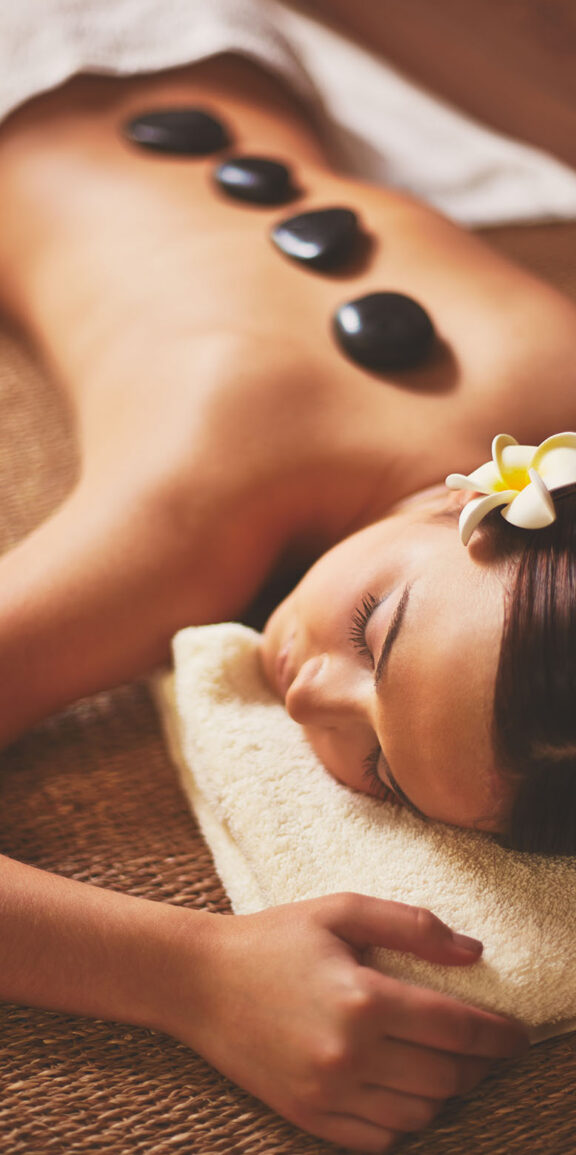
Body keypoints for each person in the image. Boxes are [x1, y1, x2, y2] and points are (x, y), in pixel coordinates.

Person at [2, 18, 576, 1149]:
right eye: (374, 628)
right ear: (468, 494)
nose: (310, 690)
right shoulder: (197, 514)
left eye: (380, 769)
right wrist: (188, 974)